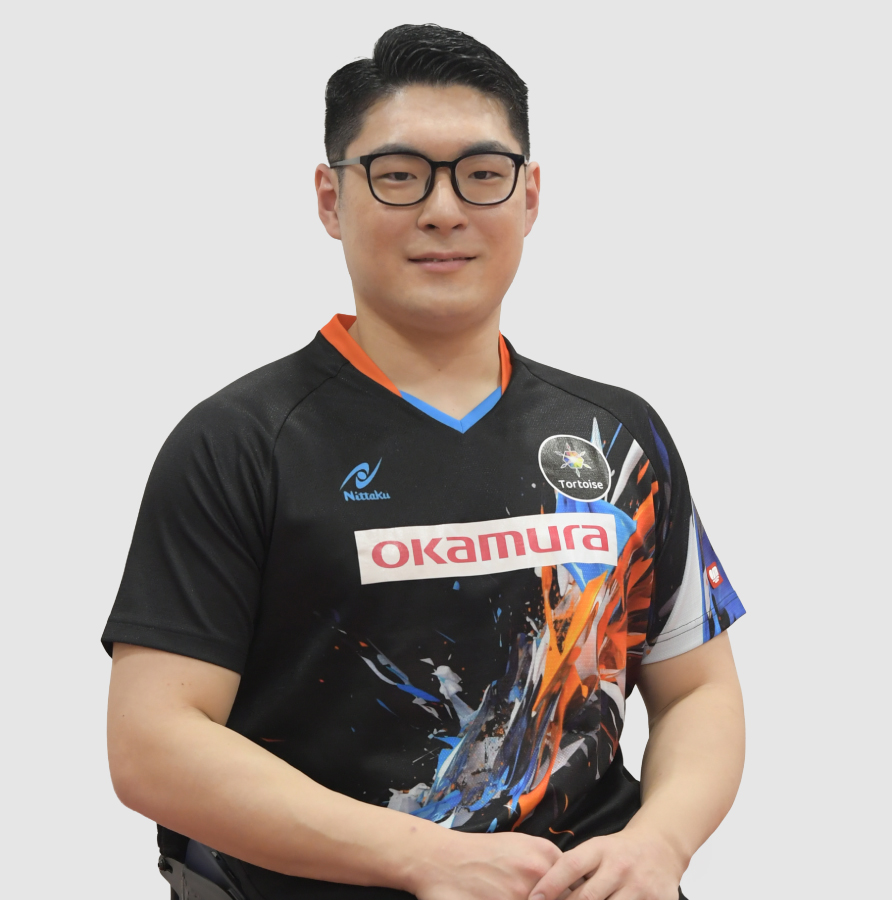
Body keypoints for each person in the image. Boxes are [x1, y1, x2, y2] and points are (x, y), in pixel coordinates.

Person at [103, 23, 746, 900]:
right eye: (399, 175)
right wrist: (422, 858)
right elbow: (153, 742)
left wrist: (660, 844)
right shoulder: (241, 443)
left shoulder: (616, 436)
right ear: (330, 199)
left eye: (482, 173)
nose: (444, 210)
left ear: (529, 196)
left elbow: (697, 690)